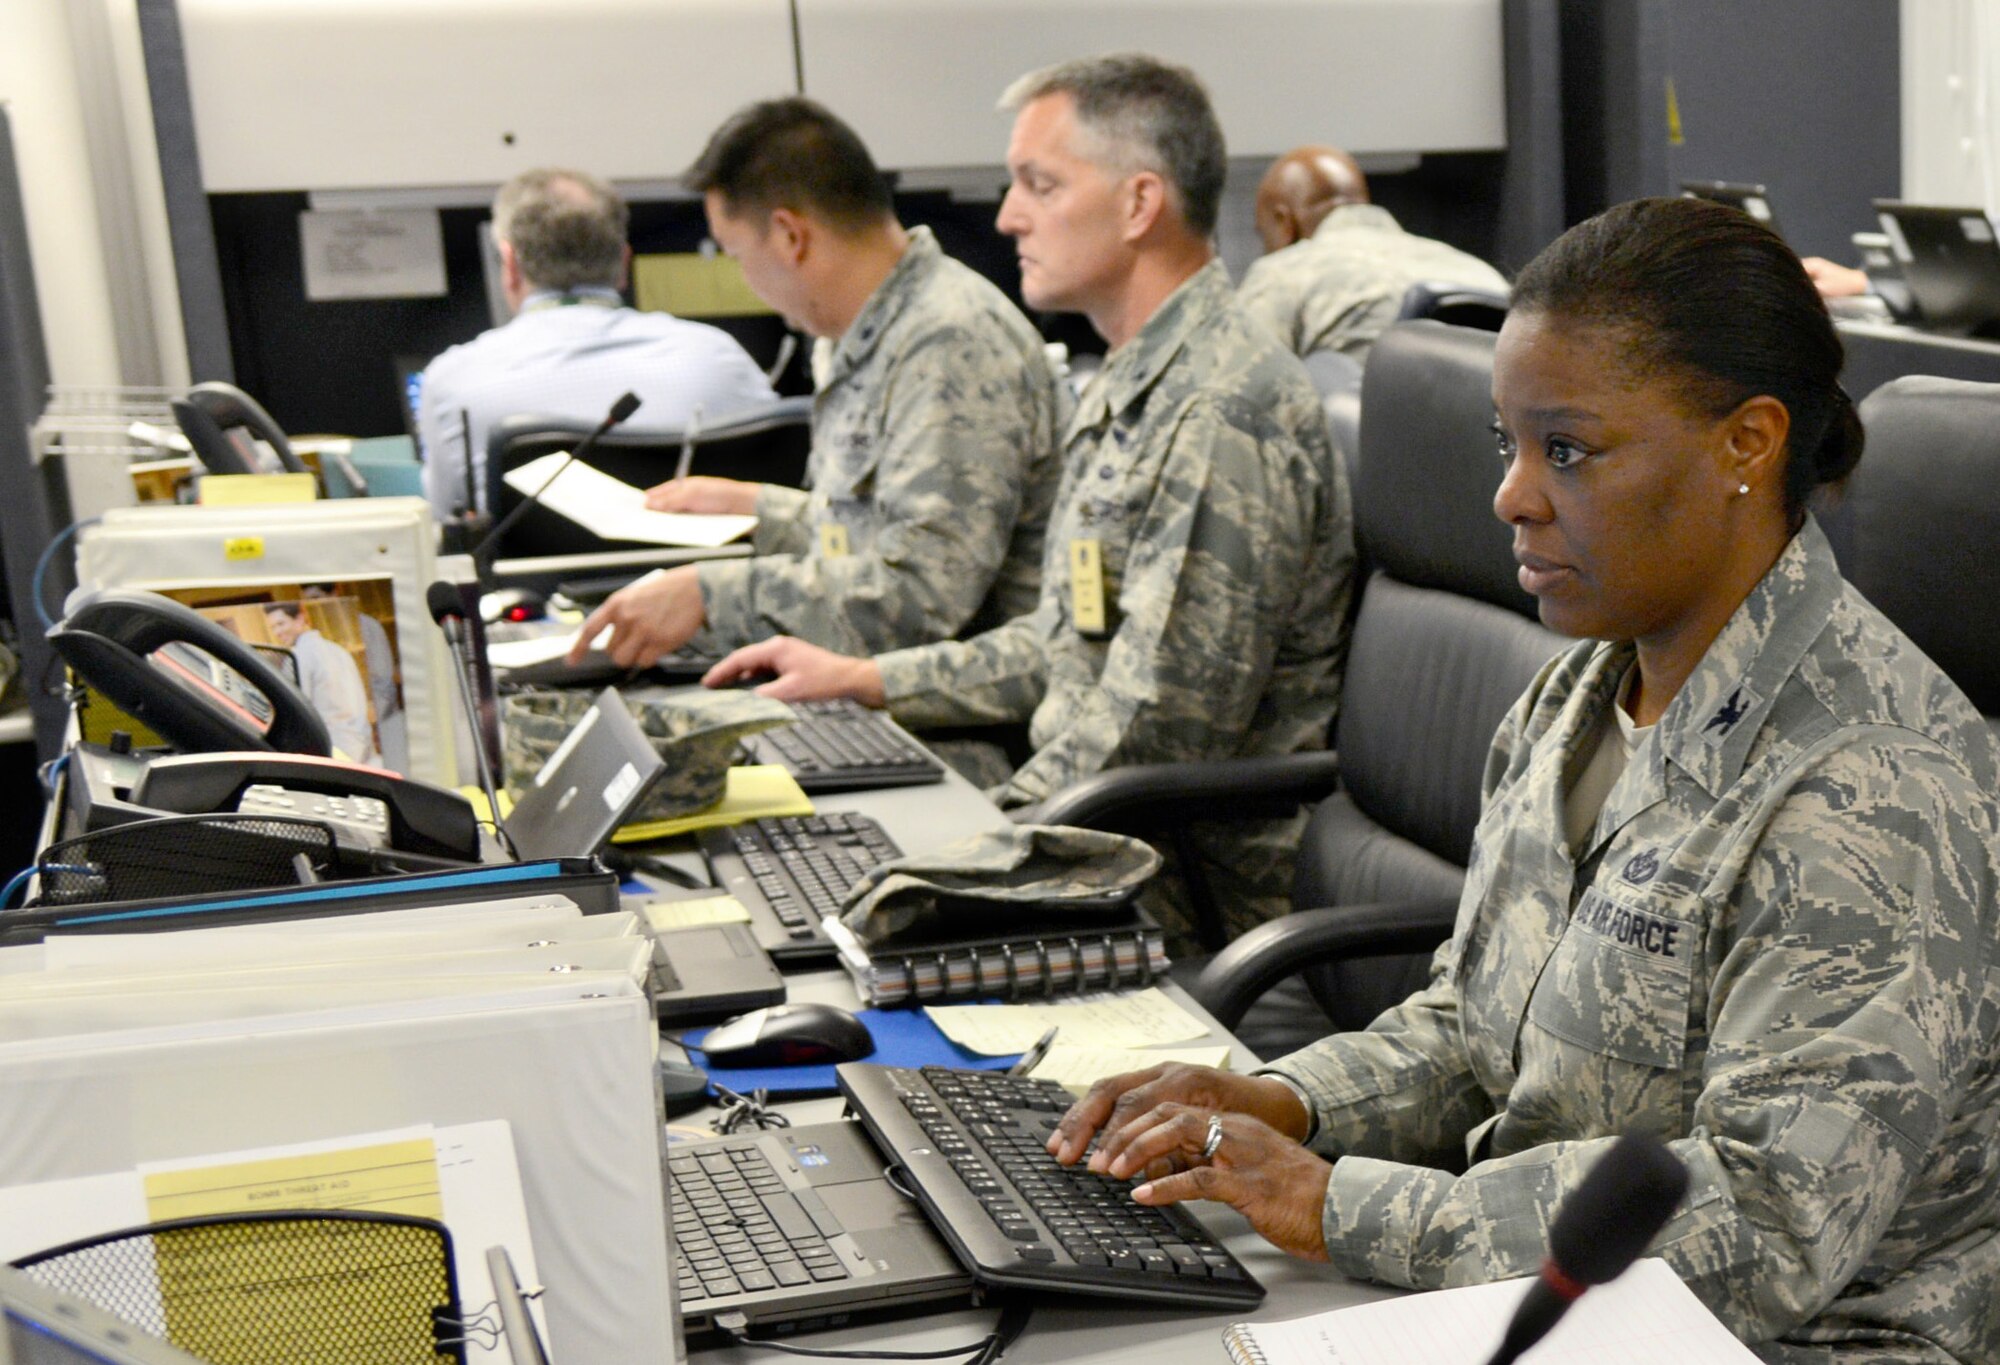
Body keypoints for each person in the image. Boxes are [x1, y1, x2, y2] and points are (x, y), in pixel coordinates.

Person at [1048, 196, 2000, 1361]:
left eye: (1568, 449)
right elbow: (1475, 1025)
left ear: (1744, 444)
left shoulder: (1869, 786)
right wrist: (1284, 1104)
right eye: (1508, 444)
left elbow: (1764, 1230)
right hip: (1537, 1303)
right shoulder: (1577, 698)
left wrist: (1337, 1203)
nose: (1511, 495)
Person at [701, 56, 1355, 944]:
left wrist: (962, 847)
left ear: (1138, 205)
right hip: (1098, 828)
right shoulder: (1132, 383)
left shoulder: (1218, 411)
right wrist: (870, 680)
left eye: (1039, 185)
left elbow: (1153, 737)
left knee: (809, 946)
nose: (1008, 215)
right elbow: (1063, 645)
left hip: (1177, 890)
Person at [571, 99, 1065, 663]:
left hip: (953, 710)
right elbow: (876, 532)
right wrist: (758, 508)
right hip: (876, 684)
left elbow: (921, 600)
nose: (744, 278)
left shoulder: (947, 343)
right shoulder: (862, 333)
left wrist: (710, 598)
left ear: (789, 237)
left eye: (736, 255)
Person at [417, 167, 775, 521]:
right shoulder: (717, 356)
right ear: (623, 261)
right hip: (698, 574)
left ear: (510, 264)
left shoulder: (454, 380)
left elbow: (447, 525)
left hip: (530, 580)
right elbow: (778, 486)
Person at [1235, 144, 1509, 364]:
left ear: (1284, 223)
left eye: (1263, 233)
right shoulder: (1475, 270)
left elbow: (1241, 381)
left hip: (1368, 430)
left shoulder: (1281, 273)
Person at [263, 600, 379, 766]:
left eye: (281, 623)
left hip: (334, 751)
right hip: (362, 744)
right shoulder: (338, 650)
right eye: (272, 627)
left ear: (300, 619)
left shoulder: (297, 658)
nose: (277, 632)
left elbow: (297, 711)